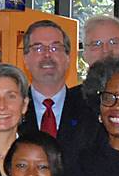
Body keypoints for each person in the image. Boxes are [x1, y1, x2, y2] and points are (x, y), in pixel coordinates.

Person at [20, 20, 92, 155]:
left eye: (55, 48)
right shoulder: (13, 109)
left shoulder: (90, 108)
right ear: (25, 59)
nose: (47, 55)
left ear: (68, 58)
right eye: (38, 48)